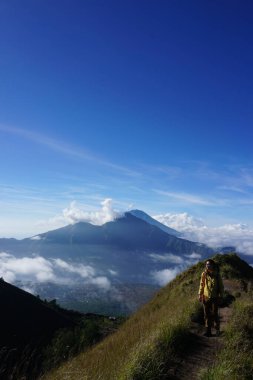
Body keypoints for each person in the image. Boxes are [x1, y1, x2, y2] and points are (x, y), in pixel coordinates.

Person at [198, 259, 224, 337]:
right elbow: (202, 285)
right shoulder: (204, 274)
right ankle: (208, 331)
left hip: (215, 298)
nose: (208, 266)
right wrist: (200, 294)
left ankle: (217, 330)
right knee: (206, 315)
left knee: (215, 314)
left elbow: (221, 287)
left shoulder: (217, 275)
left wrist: (221, 296)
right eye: (206, 264)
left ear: (213, 265)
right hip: (205, 297)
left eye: (209, 264)